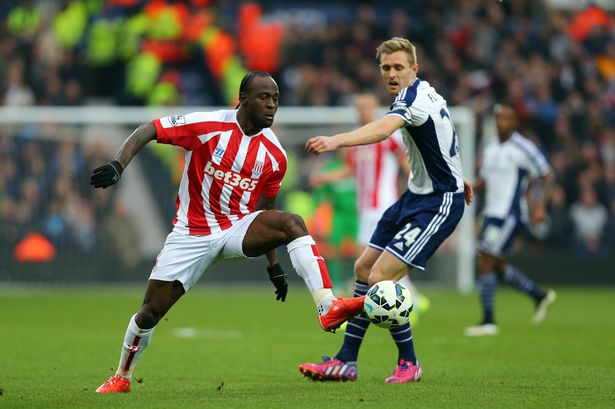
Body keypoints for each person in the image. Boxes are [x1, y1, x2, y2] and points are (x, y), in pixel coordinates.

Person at [91, 71, 364, 394]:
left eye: (276, 99)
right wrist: (119, 164)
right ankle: (122, 375)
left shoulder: (275, 155)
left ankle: (326, 304)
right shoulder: (209, 127)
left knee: (292, 223)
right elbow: (150, 128)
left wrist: (273, 264)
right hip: (191, 233)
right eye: (264, 98)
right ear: (243, 99)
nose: (271, 105)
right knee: (149, 313)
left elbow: (267, 213)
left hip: (236, 228)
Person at [299, 37, 473, 384]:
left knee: (380, 278)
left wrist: (335, 141)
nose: (392, 74)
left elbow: (382, 131)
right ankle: (345, 361)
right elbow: (441, 135)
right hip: (415, 195)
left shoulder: (410, 100)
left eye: (398, 67)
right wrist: (458, 173)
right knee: (363, 268)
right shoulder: (427, 93)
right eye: (386, 68)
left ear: (414, 69)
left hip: (437, 203)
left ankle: (409, 362)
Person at [309, 91, 431, 322]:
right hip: (366, 207)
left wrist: (419, 191)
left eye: (366, 106)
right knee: (376, 260)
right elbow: (351, 169)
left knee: (369, 259)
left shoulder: (389, 136)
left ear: (375, 108)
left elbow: (407, 164)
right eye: (359, 107)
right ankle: (414, 299)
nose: (362, 111)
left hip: (383, 205)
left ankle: (372, 311)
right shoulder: (357, 140)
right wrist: (326, 178)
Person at [464, 101, 557, 337]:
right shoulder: (490, 147)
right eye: (498, 118)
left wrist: (539, 206)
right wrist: (470, 186)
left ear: (515, 122)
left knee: (485, 258)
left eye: (505, 118)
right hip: (492, 213)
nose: (500, 122)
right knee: (494, 264)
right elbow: (486, 180)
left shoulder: (524, 147)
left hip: (511, 214)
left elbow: (547, 175)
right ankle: (539, 295)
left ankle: (488, 321)